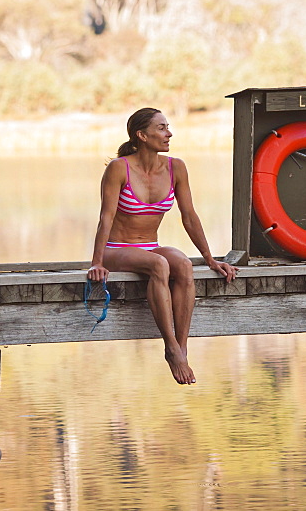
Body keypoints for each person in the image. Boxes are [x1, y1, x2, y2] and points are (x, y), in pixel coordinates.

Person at [87, 107, 237, 385]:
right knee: (159, 264)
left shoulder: (176, 167)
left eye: (168, 127)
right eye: (161, 128)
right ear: (142, 135)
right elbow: (105, 218)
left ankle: (182, 347)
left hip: (150, 246)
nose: (169, 133)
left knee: (182, 263)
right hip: (116, 250)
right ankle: (170, 346)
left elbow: (189, 216)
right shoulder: (119, 168)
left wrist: (211, 259)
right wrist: (97, 262)